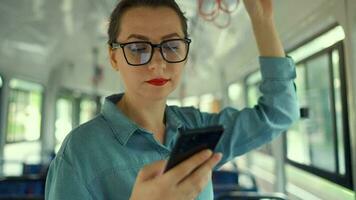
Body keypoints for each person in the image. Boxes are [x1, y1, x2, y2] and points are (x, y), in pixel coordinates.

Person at [45, 0, 299, 199]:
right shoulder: (79, 153)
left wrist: (262, 19)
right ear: (113, 57)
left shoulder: (200, 130)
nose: (158, 63)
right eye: (137, 48)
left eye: (171, 46)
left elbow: (278, 113)